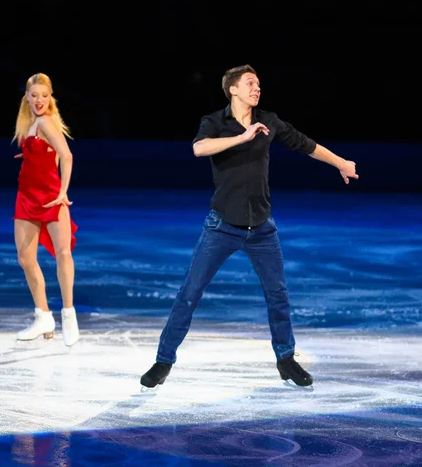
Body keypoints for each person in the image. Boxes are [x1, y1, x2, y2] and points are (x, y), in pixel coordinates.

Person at [140, 65, 358, 388]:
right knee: (189, 293)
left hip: (262, 228)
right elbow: (199, 148)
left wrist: (341, 162)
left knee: (278, 295)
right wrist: (241, 137)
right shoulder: (214, 122)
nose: (257, 88)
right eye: (250, 83)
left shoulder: (268, 120)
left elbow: (304, 144)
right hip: (221, 226)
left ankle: (286, 360)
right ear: (233, 90)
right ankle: (163, 361)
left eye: (258, 83)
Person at [12, 72, 79, 347]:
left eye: (45, 95)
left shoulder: (46, 121)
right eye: (35, 95)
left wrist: (63, 192)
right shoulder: (28, 124)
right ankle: (43, 316)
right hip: (27, 197)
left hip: (51, 197)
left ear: (50, 98)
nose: (39, 100)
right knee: (26, 258)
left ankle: (69, 314)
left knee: (63, 254)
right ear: (27, 97)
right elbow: (42, 152)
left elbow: (67, 155)